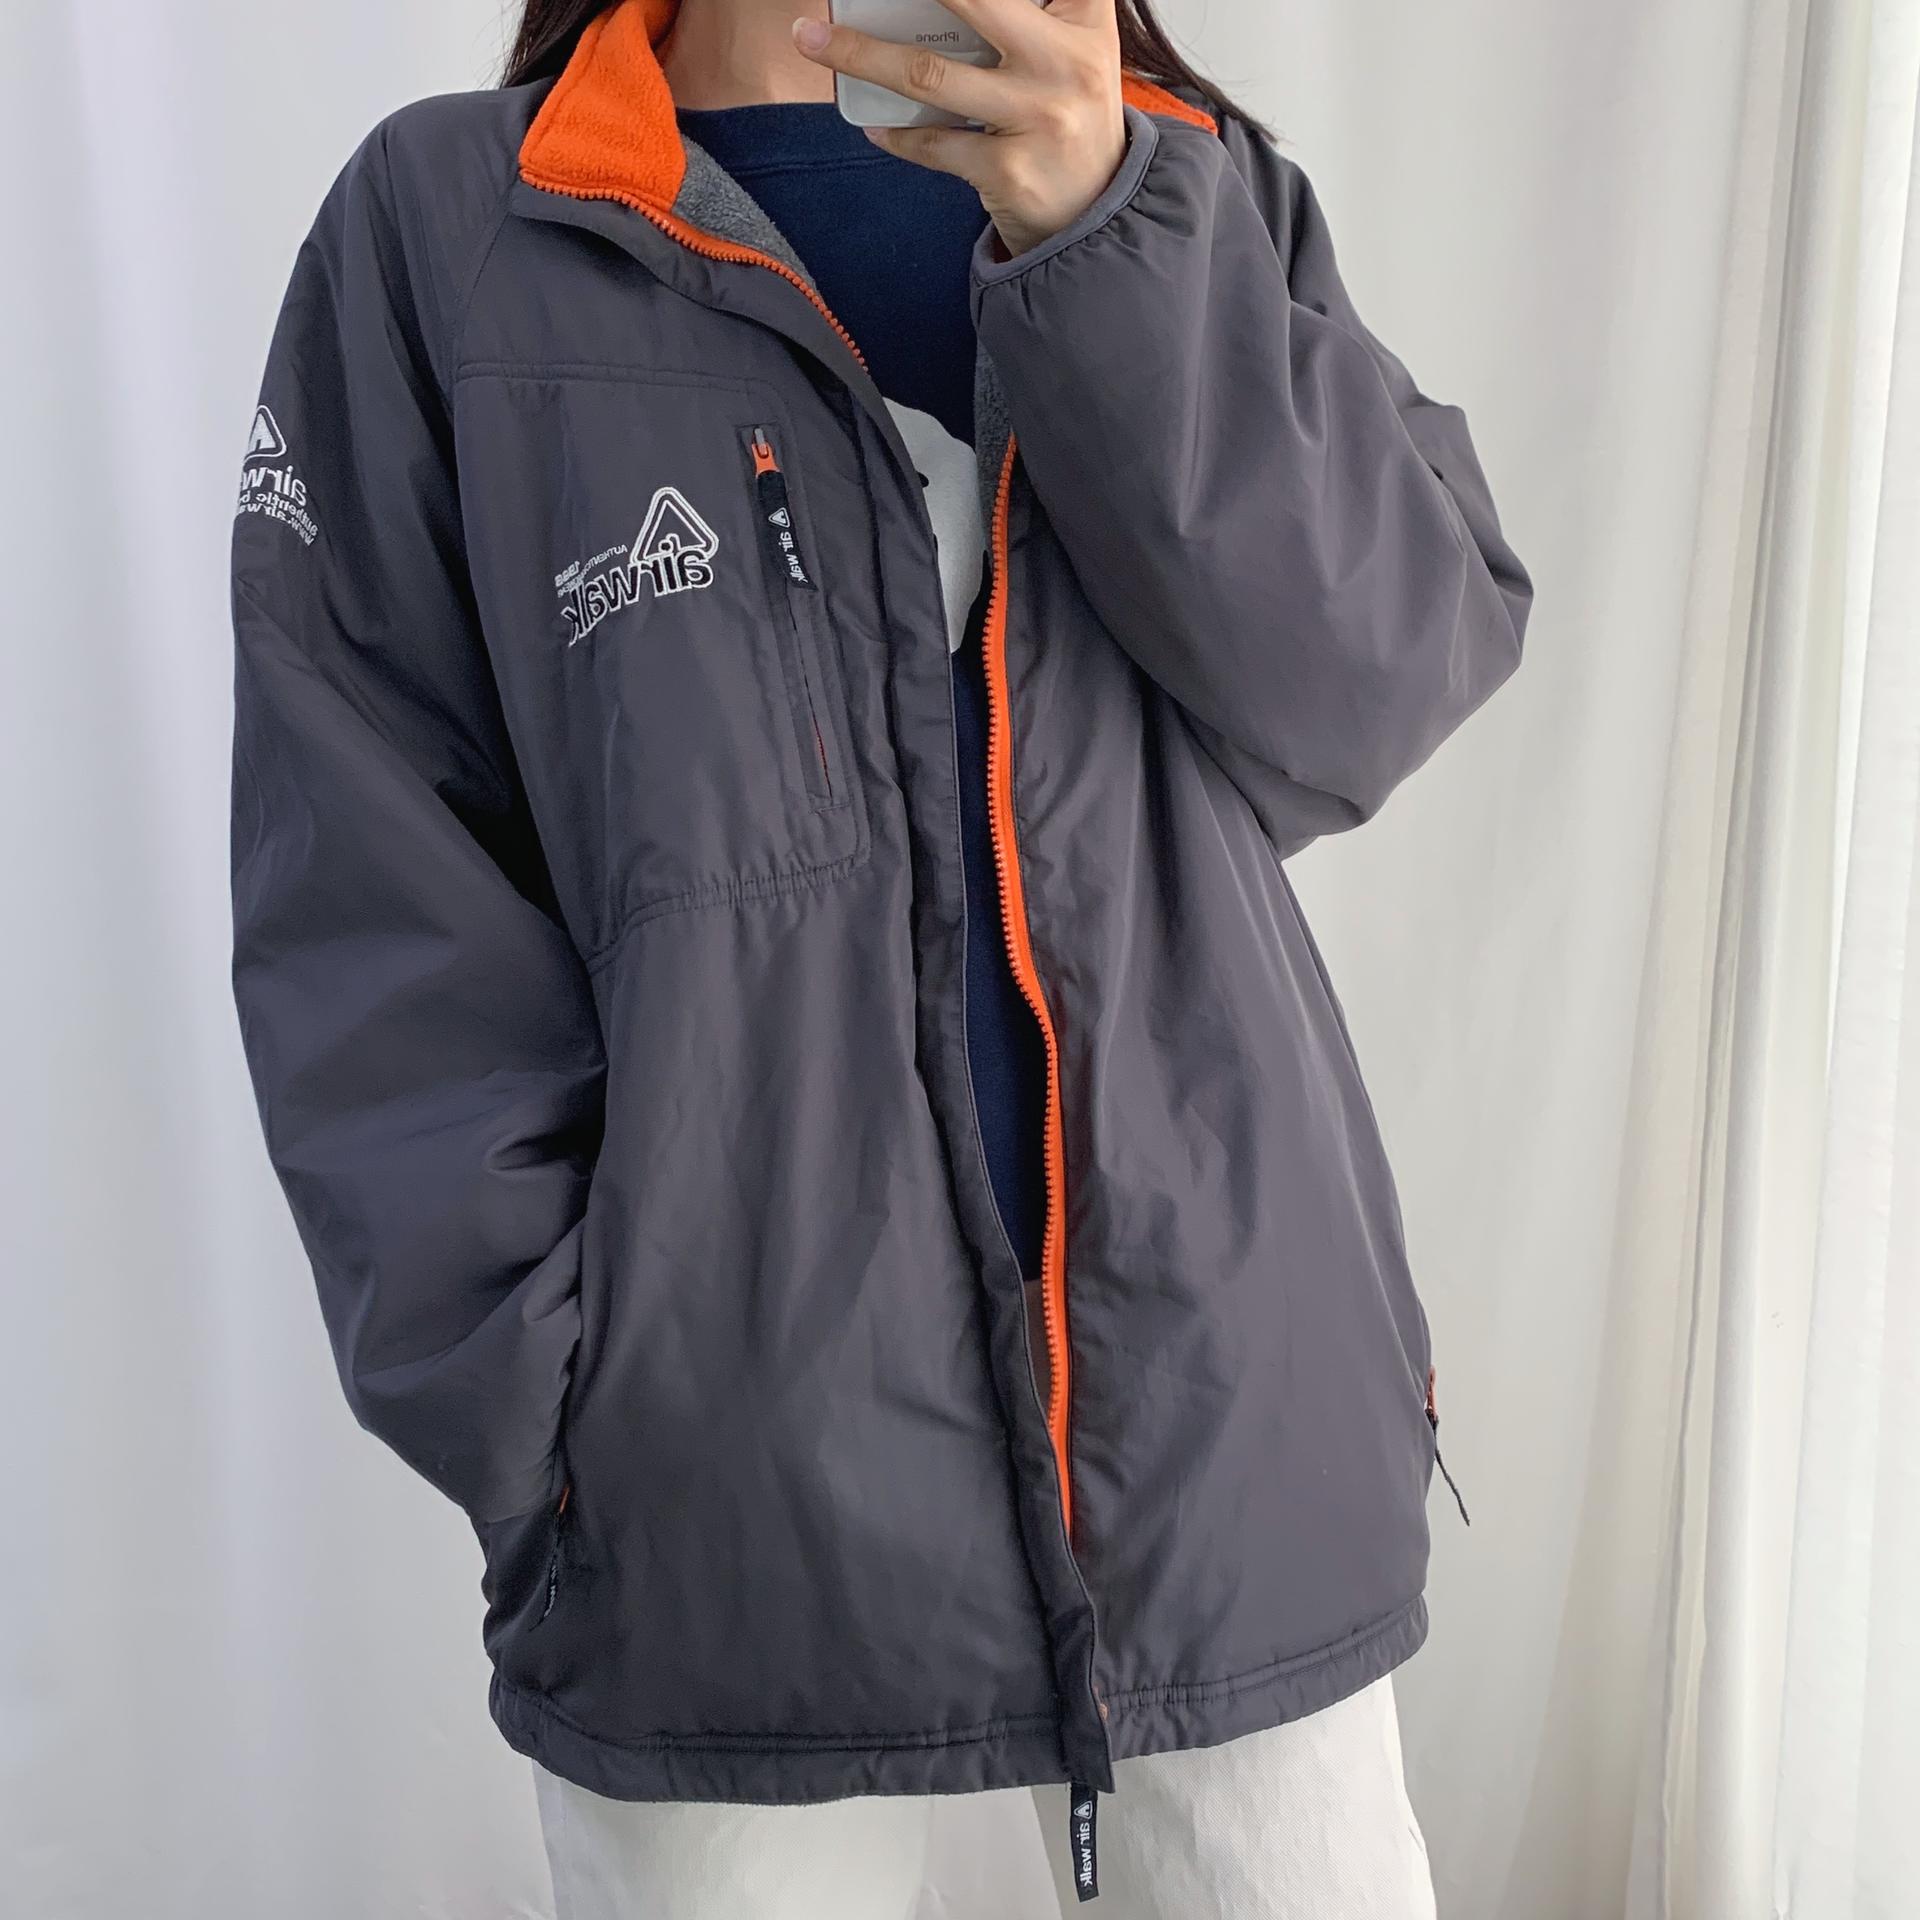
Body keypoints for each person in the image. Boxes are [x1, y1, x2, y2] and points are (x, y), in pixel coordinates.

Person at [228, 0, 1531, 1910]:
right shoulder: (459, 226)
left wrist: (1112, 237)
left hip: (1224, 1430)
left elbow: (1380, 678)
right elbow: (364, 865)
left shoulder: (1184, 184)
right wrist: (553, 1402)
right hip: (717, 1510)